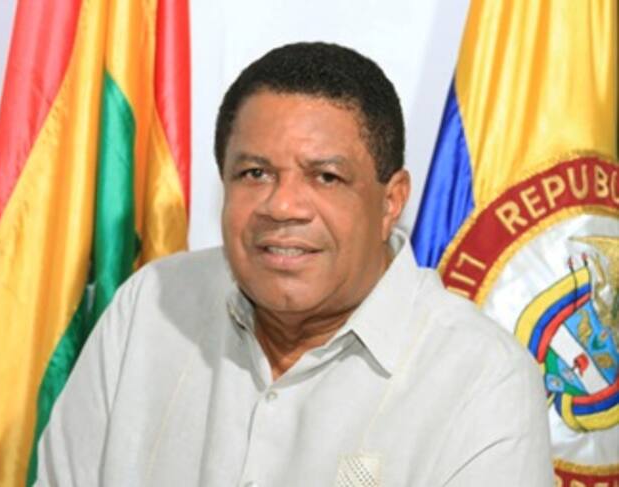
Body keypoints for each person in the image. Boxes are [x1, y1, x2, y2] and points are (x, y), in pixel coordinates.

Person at [35, 42, 553, 486]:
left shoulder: (482, 378)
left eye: (326, 177)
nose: (282, 206)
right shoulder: (149, 309)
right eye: (255, 173)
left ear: (391, 201)